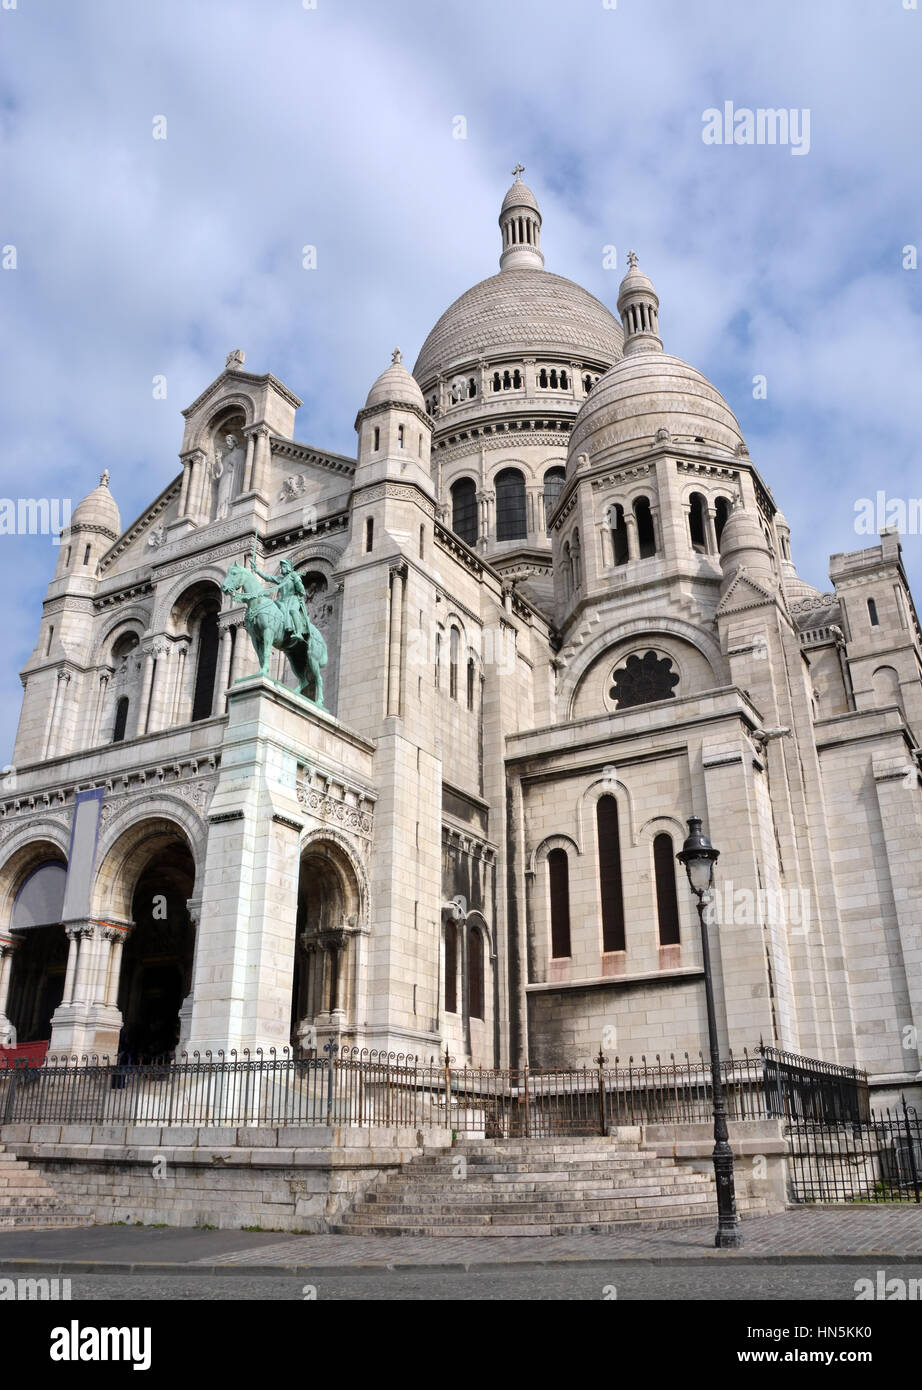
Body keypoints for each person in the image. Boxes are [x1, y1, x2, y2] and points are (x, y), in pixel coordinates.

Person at [252, 558, 309, 643]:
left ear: (288, 567)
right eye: (281, 567)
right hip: (283, 601)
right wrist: (256, 570)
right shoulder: (281, 579)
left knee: (293, 610)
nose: (281, 568)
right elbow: (268, 578)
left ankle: (299, 633)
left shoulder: (293, 575)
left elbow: (301, 590)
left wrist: (297, 583)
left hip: (293, 598)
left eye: (283, 566)